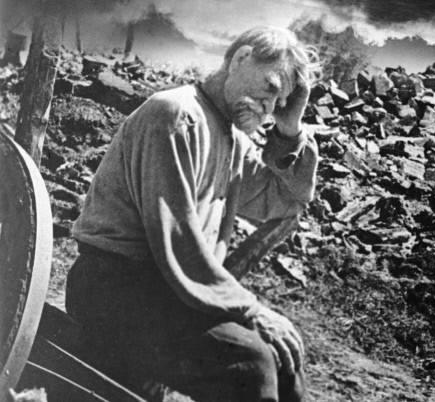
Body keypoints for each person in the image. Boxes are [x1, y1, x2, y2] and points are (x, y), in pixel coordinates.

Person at [65, 26, 320, 402]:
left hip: (170, 292)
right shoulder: (175, 115)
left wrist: (290, 129)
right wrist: (252, 310)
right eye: (269, 88)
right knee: (252, 364)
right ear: (240, 59)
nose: (269, 106)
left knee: (285, 365)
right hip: (114, 287)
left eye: (278, 101)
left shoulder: (233, 141)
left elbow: (288, 199)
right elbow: (178, 240)